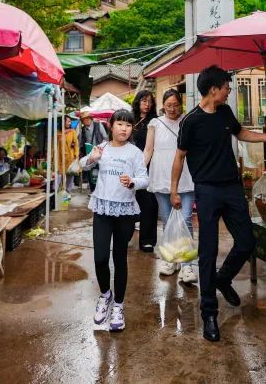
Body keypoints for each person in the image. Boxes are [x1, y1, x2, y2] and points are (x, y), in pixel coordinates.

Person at [171, 65, 266, 342]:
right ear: (214, 89)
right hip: (207, 191)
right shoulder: (191, 121)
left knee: (247, 242)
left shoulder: (224, 112)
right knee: (208, 251)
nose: (229, 91)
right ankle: (209, 312)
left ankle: (223, 279)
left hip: (232, 188)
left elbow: (241, 132)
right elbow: (179, 157)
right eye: (226, 87)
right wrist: (174, 190)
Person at [79, 109, 149, 332]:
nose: (124, 129)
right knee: (100, 258)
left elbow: (145, 179)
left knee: (120, 259)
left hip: (125, 211)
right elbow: (82, 164)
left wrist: (132, 183)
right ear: (111, 126)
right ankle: (105, 295)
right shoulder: (102, 148)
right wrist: (92, 157)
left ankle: (118, 305)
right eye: (120, 124)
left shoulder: (135, 153)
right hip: (102, 208)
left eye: (128, 125)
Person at [144, 88, 197, 283]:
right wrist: (140, 172)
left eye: (175, 105)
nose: (172, 109)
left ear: (181, 104)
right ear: (162, 106)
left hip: (185, 178)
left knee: (185, 221)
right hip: (160, 178)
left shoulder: (188, 121)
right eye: (168, 106)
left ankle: (187, 265)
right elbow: (148, 150)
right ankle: (172, 261)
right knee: (167, 222)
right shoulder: (155, 124)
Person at [130, 90, 159, 252]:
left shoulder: (153, 122)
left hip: (147, 166)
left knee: (148, 203)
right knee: (127, 199)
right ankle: (124, 234)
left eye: (149, 101)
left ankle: (147, 240)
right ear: (138, 102)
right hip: (128, 165)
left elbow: (150, 148)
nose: (147, 105)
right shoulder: (130, 119)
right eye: (143, 101)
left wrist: (140, 168)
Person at [77, 107, 107, 192]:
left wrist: (101, 147)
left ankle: (100, 189)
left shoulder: (98, 125)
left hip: (100, 153)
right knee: (90, 172)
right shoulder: (82, 129)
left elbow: (105, 138)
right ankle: (92, 190)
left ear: (90, 118)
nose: (86, 121)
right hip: (89, 154)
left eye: (87, 119)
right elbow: (80, 142)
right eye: (83, 120)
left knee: (100, 171)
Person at [59, 115, 80, 191]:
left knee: (70, 176)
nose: (69, 123)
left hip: (70, 157)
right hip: (60, 158)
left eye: (70, 121)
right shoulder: (58, 132)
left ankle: (67, 193)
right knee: (59, 176)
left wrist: (76, 155)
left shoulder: (73, 132)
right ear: (63, 122)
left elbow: (76, 144)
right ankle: (59, 192)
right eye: (68, 121)